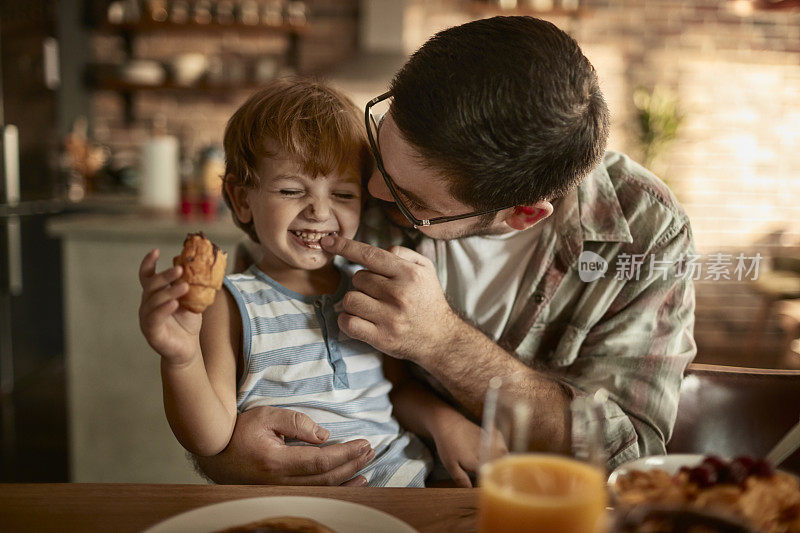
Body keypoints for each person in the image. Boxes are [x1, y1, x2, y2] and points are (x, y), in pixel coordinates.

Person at [194, 16, 696, 486]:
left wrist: (443, 344)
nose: (371, 188)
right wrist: (228, 452)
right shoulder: (350, 164)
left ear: (522, 213)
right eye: (381, 145)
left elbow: (630, 456)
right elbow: (256, 341)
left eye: (413, 203)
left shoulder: (645, 230)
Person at [138, 78, 486, 487]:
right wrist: (180, 359)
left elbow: (395, 392)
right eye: (290, 189)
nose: (319, 211)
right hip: (302, 505)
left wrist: (446, 424)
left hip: (408, 486)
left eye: (342, 194)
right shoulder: (227, 304)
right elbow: (210, 438)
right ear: (241, 199)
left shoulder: (367, 290)